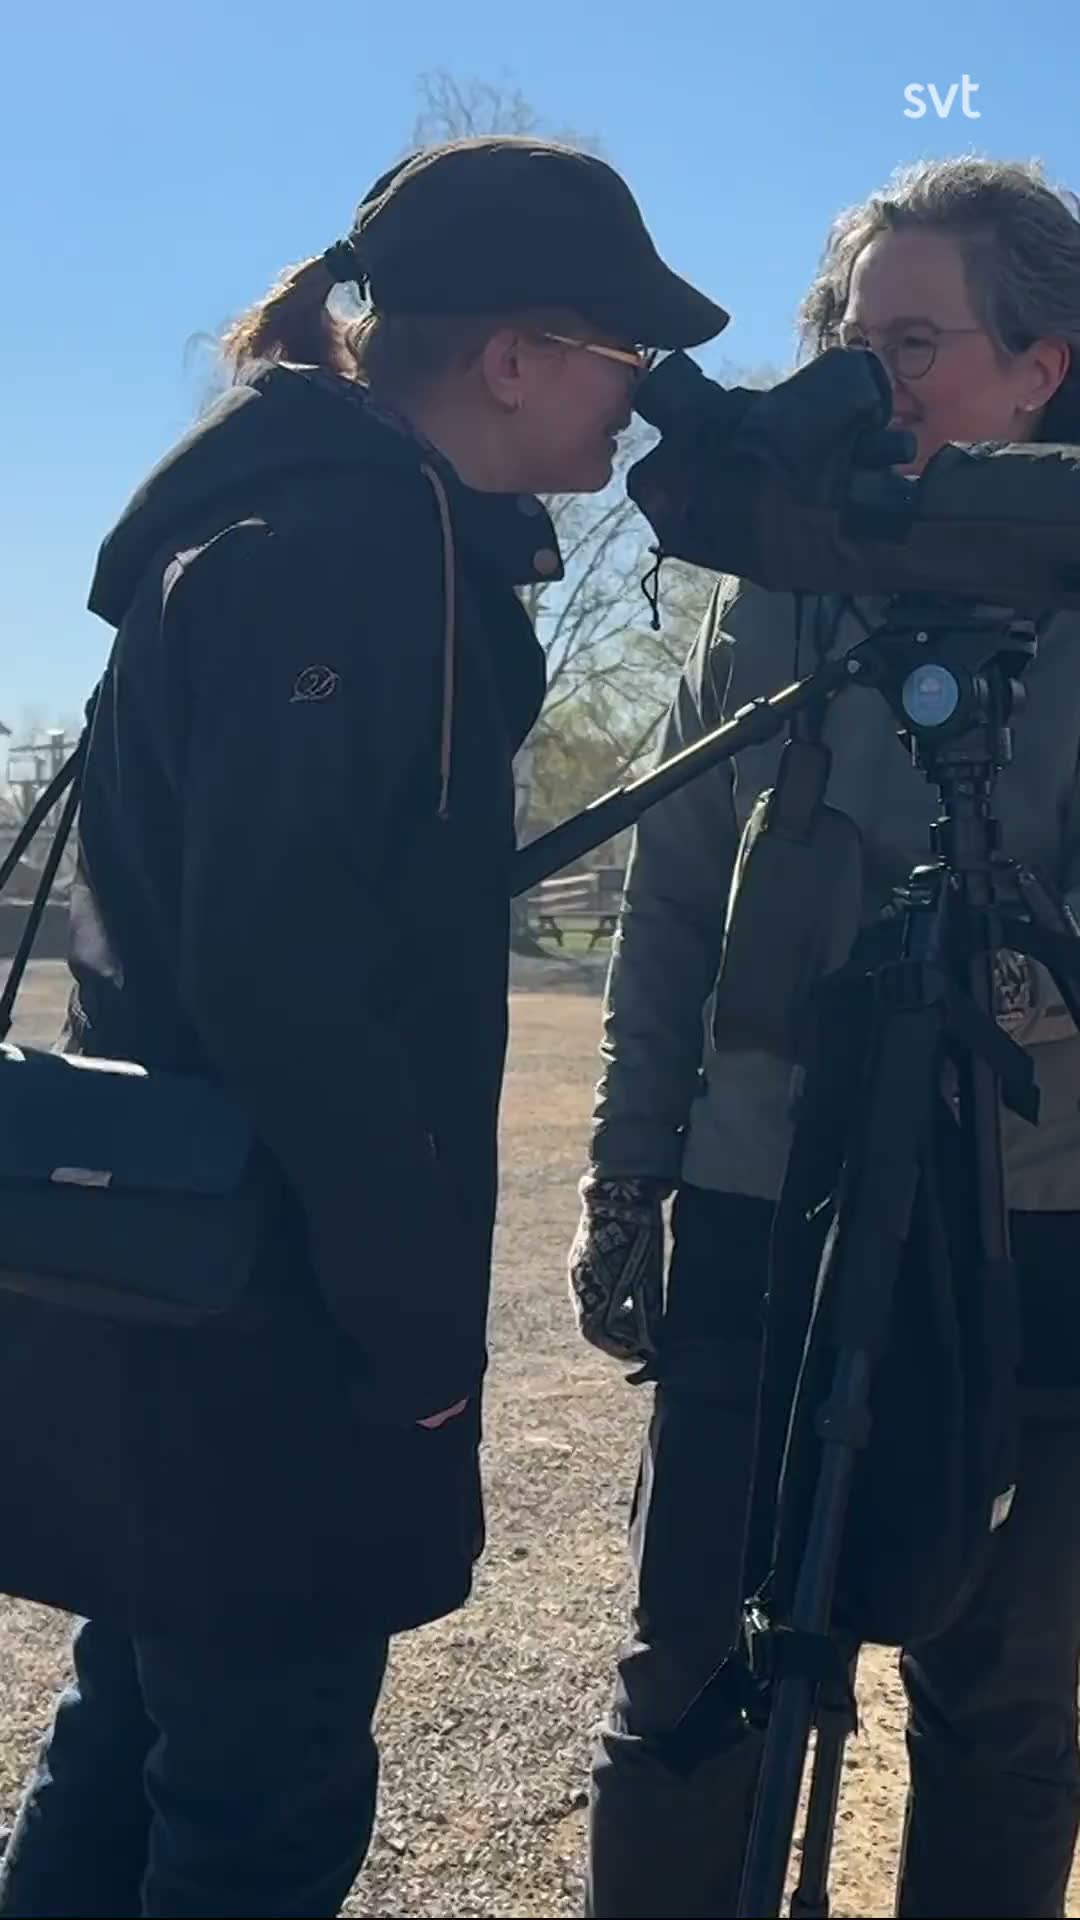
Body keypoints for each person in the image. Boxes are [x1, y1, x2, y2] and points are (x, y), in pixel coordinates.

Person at [0, 136, 727, 1919]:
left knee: (136, 1732)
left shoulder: (294, 520)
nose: (638, 399)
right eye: (623, 354)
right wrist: (407, 1319)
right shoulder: (348, 551)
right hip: (275, 1310)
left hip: (181, 1262)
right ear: (514, 357)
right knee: (259, 1803)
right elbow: (283, 974)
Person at [569, 155, 1080, 1920]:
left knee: (1004, 1714)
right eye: (855, 344)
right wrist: (627, 1175)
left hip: (1030, 1222)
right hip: (756, 1193)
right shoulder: (777, 576)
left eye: (919, 344)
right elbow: (669, 893)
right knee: (685, 1687)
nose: (878, 382)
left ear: (1044, 369)